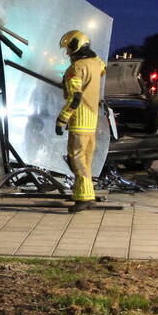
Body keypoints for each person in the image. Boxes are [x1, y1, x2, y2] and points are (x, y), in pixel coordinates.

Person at [54, 30, 105, 213]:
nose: (67, 54)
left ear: (75, 47)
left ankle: (85, 198)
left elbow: (75, 98)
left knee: (76, 159)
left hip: (79, 120)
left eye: (68, 49)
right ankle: (83, 193)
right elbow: (102, 65)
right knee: (86, 159)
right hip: (92, 120)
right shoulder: (96, 64)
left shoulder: (75, 69)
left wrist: (62, 119)